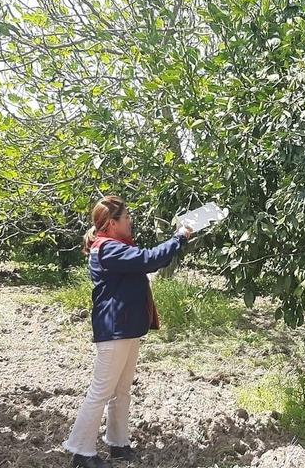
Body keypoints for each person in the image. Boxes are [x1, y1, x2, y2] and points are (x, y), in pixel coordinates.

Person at [63, 195, 193, 468]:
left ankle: (118, 444)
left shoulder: (116, 246)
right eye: (126, 217)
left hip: (126, 329)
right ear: (111, 223)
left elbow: (143, 264)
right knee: (101, 391)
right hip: (114, 331)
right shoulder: (108, 248)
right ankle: (81, 451)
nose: (130, 221)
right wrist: (179, 237)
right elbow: (149, 259)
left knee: (121, 390)